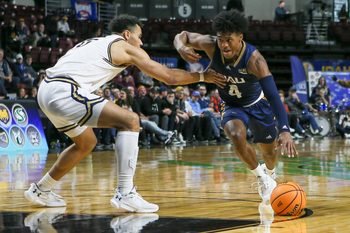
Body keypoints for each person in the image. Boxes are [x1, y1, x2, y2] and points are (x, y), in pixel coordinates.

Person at [23, 14, 225, 212]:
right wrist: (202, 76)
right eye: (139, 35)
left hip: (46, 90)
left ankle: (41, 189)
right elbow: (169, 77)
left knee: (86, 143)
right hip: (64, 90)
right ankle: (125, 192)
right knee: (130, 121)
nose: (141, 41)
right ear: (127, 34)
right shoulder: (123, 46)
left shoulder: (97, 43)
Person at [174, 10, 297, 203]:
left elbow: (273, 96)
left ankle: (270, 173)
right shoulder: (211, 45)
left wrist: (284, 129)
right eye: (221, 39)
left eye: (229, 40)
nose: (224, 44)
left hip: (257, 104)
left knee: (269, 153)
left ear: (240, 37)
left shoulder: (255, 60)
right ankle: (262, 179)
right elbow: (184, 35)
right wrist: (181, 47)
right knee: (236, 135)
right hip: (231, 104)